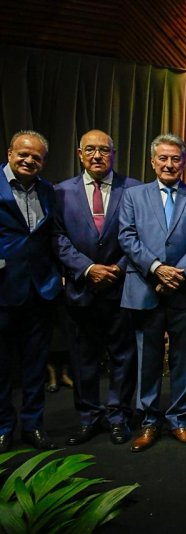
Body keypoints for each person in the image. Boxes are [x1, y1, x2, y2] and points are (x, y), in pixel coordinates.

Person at [118, 133, 186, 452]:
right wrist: (157, 268)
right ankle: (149, 421)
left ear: (183, 162)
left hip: (185, 291)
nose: (169, 164)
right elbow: (127, 237)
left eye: (175, 158)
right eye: (163, 158)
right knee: (147, 358)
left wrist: (177, 274)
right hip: (146, 288)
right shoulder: (134, 196)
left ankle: (179, 419)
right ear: (152, 162)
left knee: (184, 358)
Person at [53, 129, 141, 446]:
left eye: (104, 150)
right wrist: (88, 268)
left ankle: (118, 416)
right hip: (82, 289)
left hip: (121, 288)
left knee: (123, 357)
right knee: (83, 359)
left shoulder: (134, 189)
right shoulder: (60, 192)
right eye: (90, 149)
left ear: (113, 154)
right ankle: (88, 417)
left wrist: (119, 267)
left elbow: (141, 236)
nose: (97, 155)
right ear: (80, 154)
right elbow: (58, 238)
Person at [0, 130, 61, 452]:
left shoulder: (48, 190)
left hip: (40, 290)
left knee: (36, 365)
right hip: (3, 289)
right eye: (23, 154)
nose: (29, 160)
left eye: (36, 157)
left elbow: (49, 236)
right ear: (10, 153)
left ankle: (33, 425)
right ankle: (3, 427)